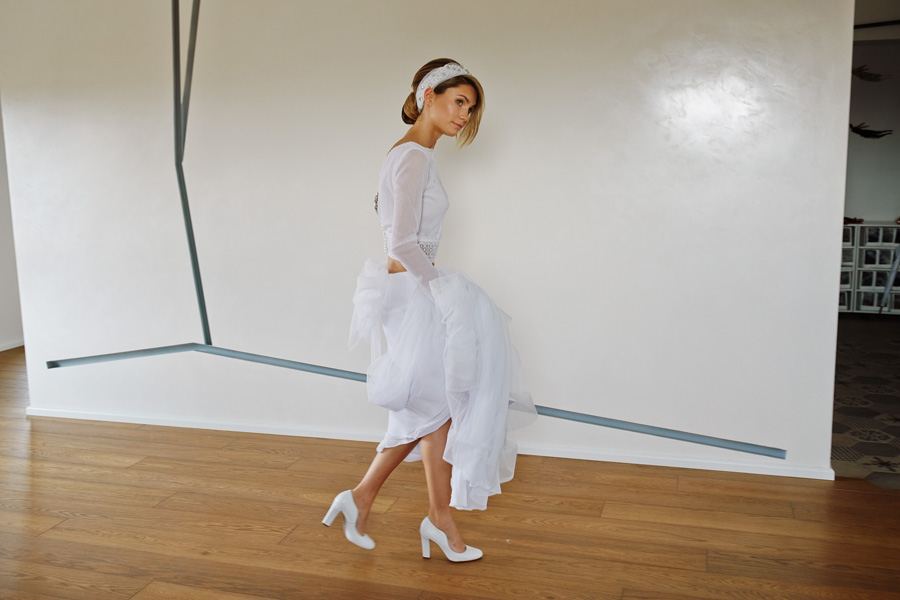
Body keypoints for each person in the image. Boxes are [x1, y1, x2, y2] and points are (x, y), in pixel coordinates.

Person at [323, 58, 536, 562]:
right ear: (428, 96)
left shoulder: (410, 155)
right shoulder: (413, 157)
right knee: (434, 406)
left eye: (471, 108)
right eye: (458, 101)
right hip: (414, 292)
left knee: (438, 409)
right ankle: (380, 501)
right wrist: (441, 289)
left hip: (410, 290)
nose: (465, 115)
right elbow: (402, 241)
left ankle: (427, 516)